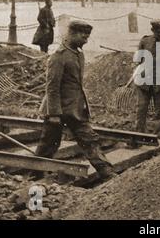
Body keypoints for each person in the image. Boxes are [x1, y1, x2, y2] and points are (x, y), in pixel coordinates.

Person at [36, 20, 115, 180]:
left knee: (90, 139)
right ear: (72, 34)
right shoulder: (59, 57)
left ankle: (106, 172)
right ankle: (35, 174)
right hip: (56, 110)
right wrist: (54, 114)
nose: (86, 40)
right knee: (48, 145)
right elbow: (52, 87)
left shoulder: (78, 54)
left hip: (74, 109)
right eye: (83, 36)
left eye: (87, 37)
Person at [135, 19, 160, 134]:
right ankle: (138, 134)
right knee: (141, 109)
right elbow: (138, 60)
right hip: (144, 83)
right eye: (158, 32)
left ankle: (158, 136)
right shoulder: (145, 41)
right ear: (152, 30)